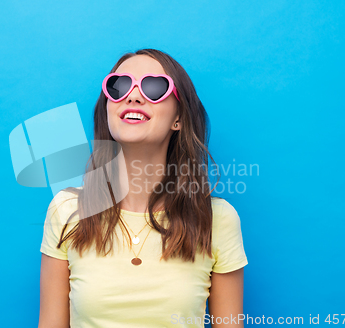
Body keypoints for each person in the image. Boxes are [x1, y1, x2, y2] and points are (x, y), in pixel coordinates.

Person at [38, 48, 248, 328]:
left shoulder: (217, 219)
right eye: (120, 86)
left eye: (154, 87)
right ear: (107, 108)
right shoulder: (66, 211)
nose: (133, 96)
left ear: (179, 118)